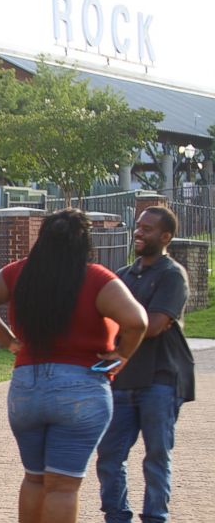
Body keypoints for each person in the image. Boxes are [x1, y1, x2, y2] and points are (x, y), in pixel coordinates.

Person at [0, 208, 147, 523]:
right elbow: (137, 320)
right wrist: (123, 354)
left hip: (26, 386)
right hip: (81, 389)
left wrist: (8, 340)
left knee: (34, 477)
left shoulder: (20, 273)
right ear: (84, 243)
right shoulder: (97, 278)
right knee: (63, 485)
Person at [96, 206, 195, 523]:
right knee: (110, 455)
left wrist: (121, 323)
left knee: (156, 455)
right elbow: (105, 322)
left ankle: (155, 517)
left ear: (165, 237)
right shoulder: (122, 277)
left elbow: (153, 325)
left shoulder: (172, 275)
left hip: (161, 379)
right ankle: (116, 515)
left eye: (148, 229)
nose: (139, 232)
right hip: (123, 379)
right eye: (138, 227)